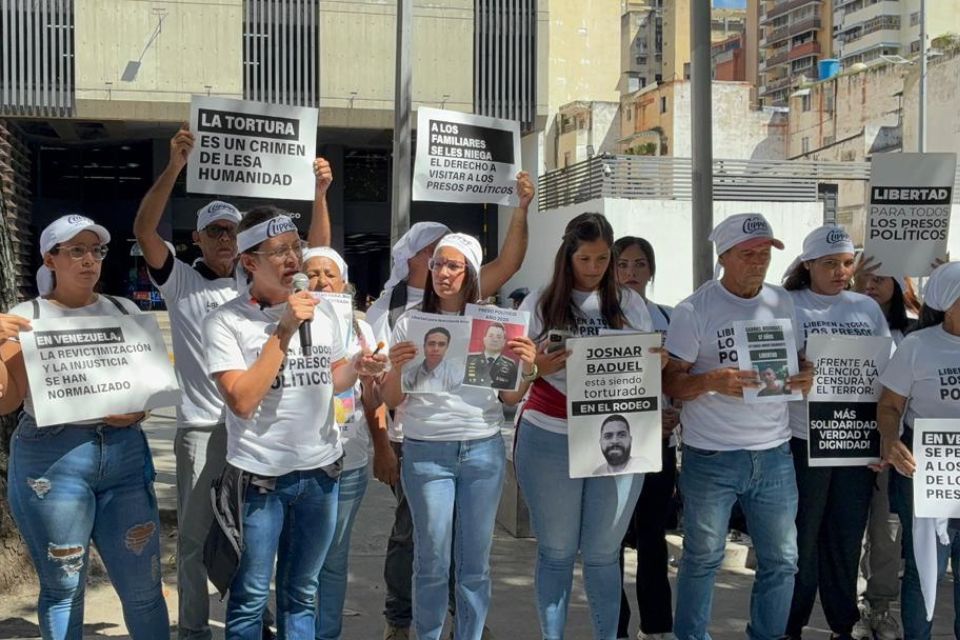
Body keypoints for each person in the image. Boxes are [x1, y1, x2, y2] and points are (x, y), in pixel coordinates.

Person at [133, 127, 332, 640]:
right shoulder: (181, 280)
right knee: (199, 540)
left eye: (230, 231)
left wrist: (319, 195)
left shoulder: (260, 281)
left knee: (255, 542)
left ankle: (256, 622)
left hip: (259, 436)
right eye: (213, 231)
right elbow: (145, 231)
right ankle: (196, 630)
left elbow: (310, 258)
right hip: (206, 428)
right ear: (197, 238)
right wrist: (175, 166)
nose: (222, 238)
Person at [202, 208, 385, 638]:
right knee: (249, 598)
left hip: (320, 474)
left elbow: (332, 376)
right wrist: (282, 332)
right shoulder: (225, 321)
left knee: (302, 591)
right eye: (279, 251)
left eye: (295, 248)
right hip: (260, 480)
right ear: (249, 262)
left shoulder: (326, 313)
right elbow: (242, 401)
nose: (292, 259)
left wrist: (361, 365)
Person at [368, 175, 535, 640]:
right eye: (438, 263)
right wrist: (398, 372)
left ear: (472, 275)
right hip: (425, 453)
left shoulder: (492, 325)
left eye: (455, 267)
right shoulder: (409, 322)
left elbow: (508, 398)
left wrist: (526, 367)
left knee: (474, 563)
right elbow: (390, 399)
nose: (444, 273)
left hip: (481, 452)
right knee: (431, 558)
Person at [0, 215, 170, 639]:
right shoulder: (25, 318)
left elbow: (151, 388)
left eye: (96, 250)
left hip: (124, 455)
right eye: (75, 250)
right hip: (51, 459)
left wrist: (138, 412)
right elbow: (5, 401)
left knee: (144, 586)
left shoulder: (123, 309)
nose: (89, 260)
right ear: (50, 258)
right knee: (63, 587)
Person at [503, 212, 653, 640]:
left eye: (603, 259)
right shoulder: (539, 302)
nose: (593, 269)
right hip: (549, 433)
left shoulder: (629, 304)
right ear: (568, 255)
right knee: (557, 551)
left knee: (605, 554)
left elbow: (648, 371)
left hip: (615, 433)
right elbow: (510, 385)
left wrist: (653, 362)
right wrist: (535, 366)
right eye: (584, 258)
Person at [663, 213, 813, 640]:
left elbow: (795, 362)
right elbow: (670, 381)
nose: (758, 261)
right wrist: (711, 381)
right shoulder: (695, 310)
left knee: (783, 560)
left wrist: (805, 374)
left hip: (774, 453)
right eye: (748, 253)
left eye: (765, 253)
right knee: (702, 557)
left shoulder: (783, 301)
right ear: (724, 256)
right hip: (712, 455)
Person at [779, 225, 890, 640]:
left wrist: (882, 439)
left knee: (847, 539)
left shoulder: (867, 309)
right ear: (807, 264)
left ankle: (844, 624)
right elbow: (770, 368)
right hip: (803, 439)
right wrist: (798, 367)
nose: (840, 271)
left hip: (855, 443)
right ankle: (791, 624)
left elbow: (883, 377)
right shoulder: (785, 304)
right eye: (829, 264)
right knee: (801, 541)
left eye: (847, 263)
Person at [302, 246, 384, 640]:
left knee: (334, 560)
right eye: (312, 273)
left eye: (329, 274)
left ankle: (327, 633)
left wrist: (377, 381)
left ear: (344, 282)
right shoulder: (287, 322)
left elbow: (372, 397)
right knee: (300, 563)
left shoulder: (363, 330)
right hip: (300, 461)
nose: (321, 281)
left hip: (349, 460)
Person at [879, 261, 960, 640]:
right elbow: (890, 405)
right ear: (948, 301)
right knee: (923, 567)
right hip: (925, 475)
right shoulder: (917, 346)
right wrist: (891, 442)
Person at [850, 258, 921, 640]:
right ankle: (848, 611)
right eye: (866, 277)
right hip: (842, 443)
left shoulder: (913, 333)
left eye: (881, 279)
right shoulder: (840, 322)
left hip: (892, 451)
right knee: (844, 535)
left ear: (898, 284)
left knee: (886, 536)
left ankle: (879, 609)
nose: (872, 285)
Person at [613, 235, 678, 640]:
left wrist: (674, 414)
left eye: (639, 264)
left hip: (659, 447)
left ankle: (656, 627)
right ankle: (614, 628)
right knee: (611, 544)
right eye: (622, 265)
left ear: (651, 270)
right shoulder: (598, 318)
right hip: (611, 448)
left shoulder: (667, 318)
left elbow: (677, 380)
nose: (631, 273)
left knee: (653, 539)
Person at [402, 327, 462, 393]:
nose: (435, 349)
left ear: (446, 348)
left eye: (441, 344)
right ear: (424, 346)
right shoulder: (410, 375)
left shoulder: (456, 375)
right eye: (431, 344)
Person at [463, 323, 519, 389]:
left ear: (504, 342)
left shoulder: (511, 366)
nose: (494, 340)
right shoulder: (469, 360)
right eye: (491, 336)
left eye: (499, 337)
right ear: (484, 339)